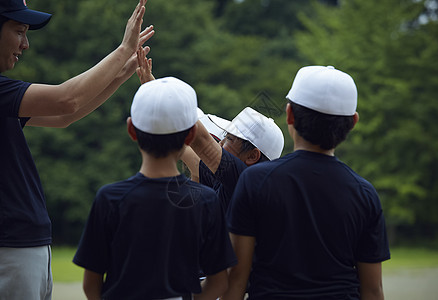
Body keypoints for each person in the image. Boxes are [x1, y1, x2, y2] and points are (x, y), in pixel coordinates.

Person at [0, 0, 154, 299]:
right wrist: (123, 49)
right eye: (19, 31)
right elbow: (65, 100)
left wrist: (120, 73)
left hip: (21, 247)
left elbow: (64, 117)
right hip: (10, 249)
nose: (25, 44)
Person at [224, 66, 391, 300]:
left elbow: (236, 279)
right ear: (353, 122)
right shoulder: (364, 194)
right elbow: (373, 290)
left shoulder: (256, 181)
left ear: (290, 115)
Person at [73, 77, 237, 299]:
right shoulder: (206, 201)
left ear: (131, 130)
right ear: (190, 136)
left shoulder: (110, 198)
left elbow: (90, 284)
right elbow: (219, 282)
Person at [135, 52, 285, 213]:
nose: (220, 142)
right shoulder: (227, 179)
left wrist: (155, 92)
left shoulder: (242, 180)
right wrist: (153, 93)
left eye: (229, 139)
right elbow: (186, 143)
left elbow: (200, 140)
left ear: (252, 156)